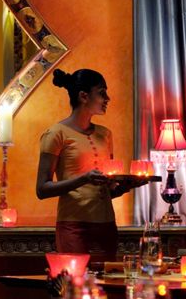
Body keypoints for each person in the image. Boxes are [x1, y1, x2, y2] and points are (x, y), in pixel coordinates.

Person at [35, 68, 129, 262]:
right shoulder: (56, 134)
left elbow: (106, 189)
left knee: (107, 279)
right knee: (76, 280)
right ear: (84, 96)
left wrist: (125, 186)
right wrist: (84, 178)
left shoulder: (105, 134)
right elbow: (42, 189)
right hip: (74, 226)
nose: (107, 98)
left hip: (107, 225)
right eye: (102, 93)